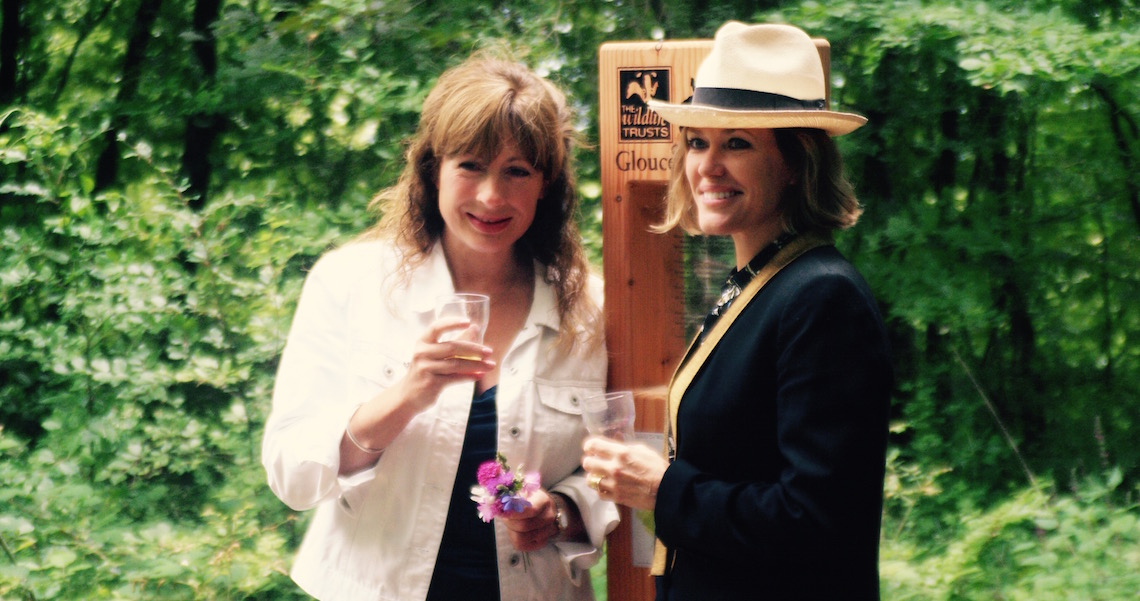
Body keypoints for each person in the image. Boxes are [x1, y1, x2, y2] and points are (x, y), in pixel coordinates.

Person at [262, 50, 618, 601]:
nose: (491, 196)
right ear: (433, 170)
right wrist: (407, 394)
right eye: (470, 165)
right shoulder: (350, 282)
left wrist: (564, 512)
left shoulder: (592, 312)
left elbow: (623, 471)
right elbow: (291, 475)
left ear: (546, 183)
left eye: (516, 171)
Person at [581, 22, 892, 601]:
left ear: (797, 162)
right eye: (698, 142)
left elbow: (818, 525)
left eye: (738, 143)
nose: (707, 166)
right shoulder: (756, 283)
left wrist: (664, 490)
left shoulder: (822, 298)